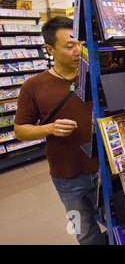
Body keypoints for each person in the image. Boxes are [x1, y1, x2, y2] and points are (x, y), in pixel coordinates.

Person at [14, 16, 105, 245]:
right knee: (85, 231)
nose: (78, 51)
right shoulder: (33, 86)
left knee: (119, 221)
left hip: (104, 167)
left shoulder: (95, 74)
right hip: (68, 175)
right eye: (69, 45)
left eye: (80, 44)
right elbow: (20, 130)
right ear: (50, 49)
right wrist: (49, 128)